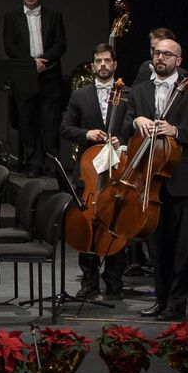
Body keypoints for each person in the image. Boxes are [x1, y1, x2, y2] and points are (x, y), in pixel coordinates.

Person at [131, 39, 188, 320]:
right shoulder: (139, 90)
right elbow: (127, 119)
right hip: (150, 179)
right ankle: (161, 299)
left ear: (179, 60)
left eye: (167, 54)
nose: (160, 57)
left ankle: (177, 304)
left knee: (180, 248)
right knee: (156, 246)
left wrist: (176, 130)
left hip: (181, 178)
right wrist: (137, 120)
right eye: (156, 52)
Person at [60, 44, 134, 301]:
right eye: (98, 61)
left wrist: (121, 140)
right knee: (87, 222)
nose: (102, 65)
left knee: (115, 222)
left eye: (107, 61)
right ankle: (89, 282)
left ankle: (115, 282)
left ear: (114, 65)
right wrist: (87, 134)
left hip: (117, 167)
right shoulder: (80, 95)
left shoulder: (128, 94)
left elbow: (133, 126)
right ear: (92, 66)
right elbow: (66, 128)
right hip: (89, 168)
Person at [1, 0, 68, 175]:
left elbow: (60, 44)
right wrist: (32, 65)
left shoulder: (54, 16)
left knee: (50, 123)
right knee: (27, 122)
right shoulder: (11, 17)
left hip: (50, 75)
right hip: (25, 77)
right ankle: (32, 164)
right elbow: (10, 47)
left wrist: (43, 62)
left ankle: (51, 165)